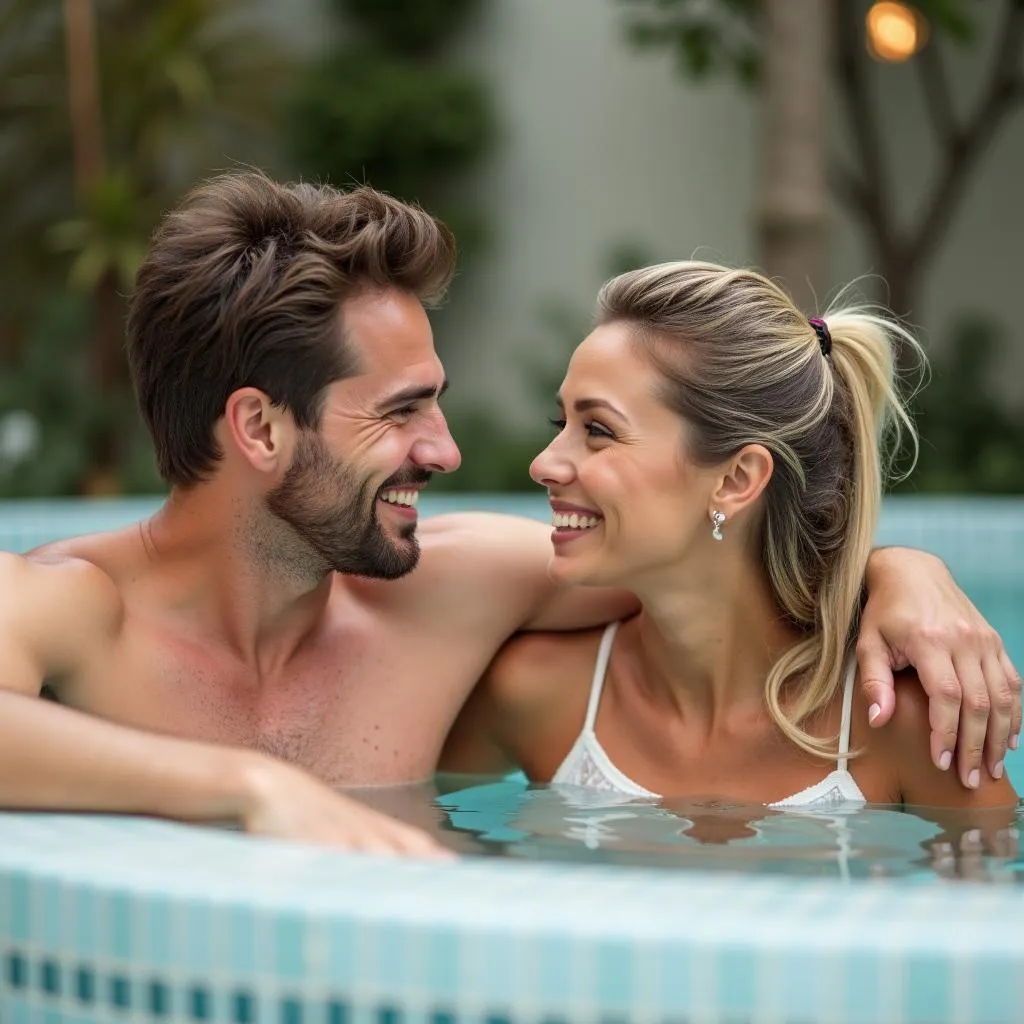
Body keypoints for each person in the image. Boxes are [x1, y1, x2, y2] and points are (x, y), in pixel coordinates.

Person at [0, 175, 1016, 856]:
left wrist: (901, 573)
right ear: (259, 429)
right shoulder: (65, 610)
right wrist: (244, 788)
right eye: (402, 411)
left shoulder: (458, 588)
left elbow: (714, 556)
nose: (447, 451)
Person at [441, 261, 1019, 818]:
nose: (544, 464)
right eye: (559, 424)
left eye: (597, 430)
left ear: (736, 480)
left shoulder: (905, 723)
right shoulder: (537, 697)